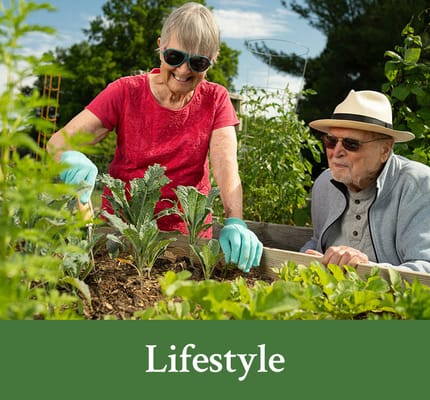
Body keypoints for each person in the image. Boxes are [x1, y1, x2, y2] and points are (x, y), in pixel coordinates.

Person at [47, 2, 262, 273]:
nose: (183, 70)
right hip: (122, 239)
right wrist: (69, 158)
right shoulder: (125, 92)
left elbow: (226, 165)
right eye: (174, 57)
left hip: (187, 244)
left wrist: (236, 221)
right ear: (160, 47)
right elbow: (58, 142)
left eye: (198, 62)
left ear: (213, 60)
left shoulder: (216, 99)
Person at [301, 89, 430, 273]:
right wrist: (306, 256)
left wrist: (366, 269)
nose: (336, 152)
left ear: (385, 150)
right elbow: (317, 241)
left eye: (351, 144)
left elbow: (425, 268)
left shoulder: (419, 186)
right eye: (331, 141)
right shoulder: (324, 183)